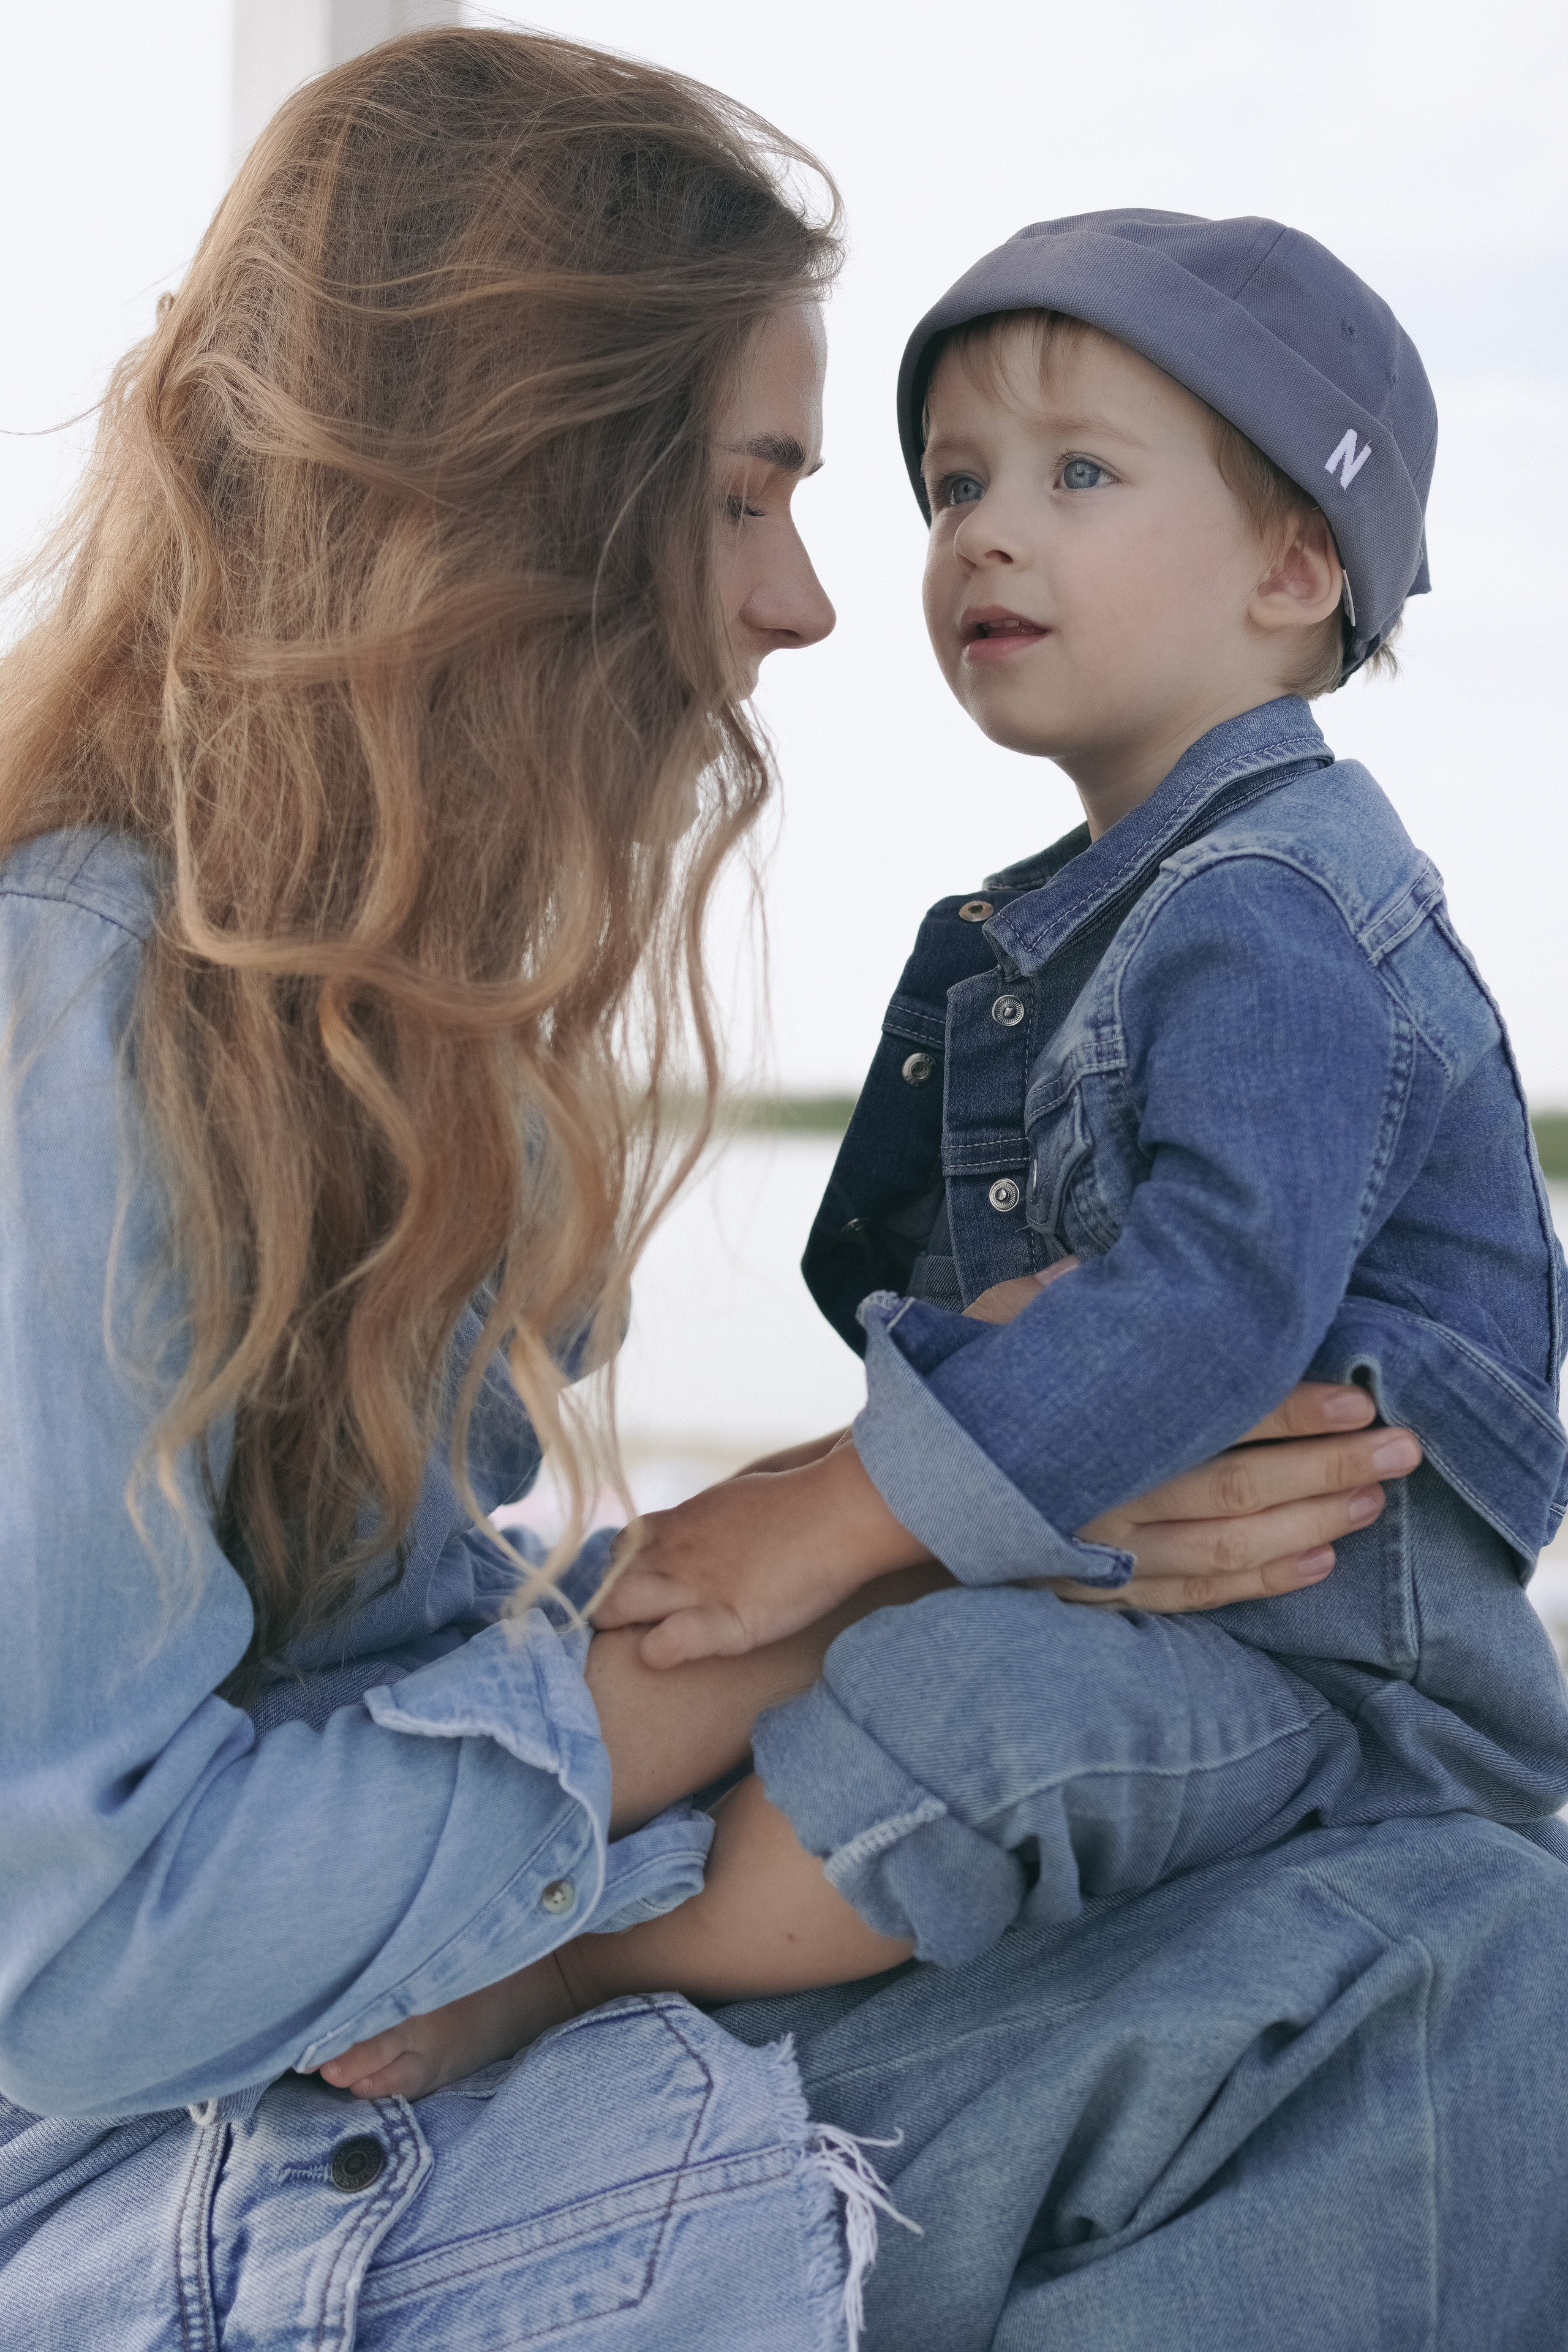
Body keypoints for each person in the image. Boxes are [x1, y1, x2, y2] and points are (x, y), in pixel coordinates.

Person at [0, 39, 1427, 2351]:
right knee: (1429, 1980)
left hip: (282, 2104)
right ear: (525, 497)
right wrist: (897, 1559)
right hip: (138, 2194)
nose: (810, 604)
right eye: (753, 491)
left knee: (1445, 1928)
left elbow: (338, 1697)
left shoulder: (351, 1035)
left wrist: (859, 1514)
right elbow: (84, 1954)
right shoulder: (77, 1002)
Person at [317, 214, 1568, 2106]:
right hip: (1119, 1576)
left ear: (1297, 561)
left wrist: (844, 1515)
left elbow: (1220, 1297)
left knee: (956, 1710)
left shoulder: (1285, 908)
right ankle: (434, 1867)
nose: (983, 529)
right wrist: (872, 1485)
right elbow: (919, 1288)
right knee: (773, 1622)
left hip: (1340, 1671)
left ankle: (580, 1966)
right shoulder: (1052, 932)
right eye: (957, 483)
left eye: (1078, 475)